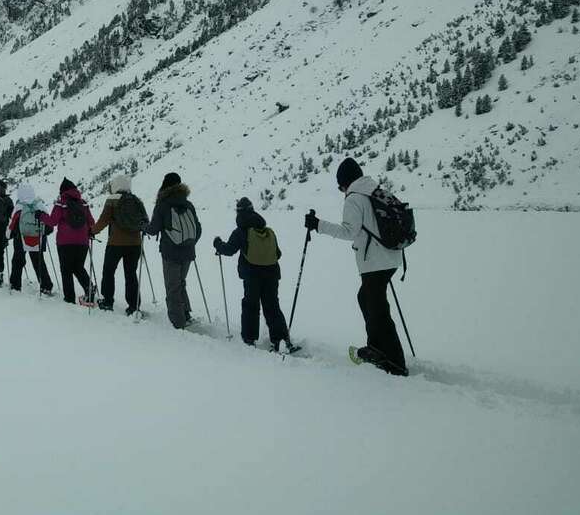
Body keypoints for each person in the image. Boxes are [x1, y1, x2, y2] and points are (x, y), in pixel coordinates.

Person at [304, 158, 407, 376]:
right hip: (391, 257)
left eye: (341, 186)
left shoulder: (354, 198)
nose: (342, 190)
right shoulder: (374, 190)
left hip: (374, 261)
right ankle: (377, 347)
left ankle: (395, 362)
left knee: (377, 309)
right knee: (367, 299)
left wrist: (318, 225)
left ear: (345, 182)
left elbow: (349, 231)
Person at [213, 197, 292, 352]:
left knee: (251, 305)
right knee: (272, 306)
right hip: (272, 274)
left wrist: (217, 244)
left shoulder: (241, 231)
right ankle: (281, 338)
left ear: (239, 212)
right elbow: (278, 254)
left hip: (252, 275)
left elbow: (229, 250)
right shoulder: (267, 230)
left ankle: (249, 338)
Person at [145, 172, 202, 329]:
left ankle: (178, 323)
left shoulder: (163, 205)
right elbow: (198, 229)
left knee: (172, 287)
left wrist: (143, 227)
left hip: (171, 253)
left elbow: (153, 229)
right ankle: (185, 314)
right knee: (181, 283)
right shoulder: (188, 204)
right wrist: (189, 243)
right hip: (188, 253)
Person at [91, 173, 146, 314]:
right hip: (135, 244)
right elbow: (145, 221)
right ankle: (134, 306)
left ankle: (108, 301)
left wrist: (92, 231)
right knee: (131, 274)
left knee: (109, 272)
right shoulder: (137, 200)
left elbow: (103, 220)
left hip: (115, 243)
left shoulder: (112, 200)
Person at [42, 177, 96, 304]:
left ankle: (69, 298)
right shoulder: (83, 203)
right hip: (82, 242)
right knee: (78, 267)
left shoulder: (61, 203)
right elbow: (91, 222)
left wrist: (41, 216)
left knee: (66, 270)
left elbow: (53, 222)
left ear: (63, 191)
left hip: (65, 242)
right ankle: (89, 288)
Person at [7, 183, 54, 295]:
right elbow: (50, 226)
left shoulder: (19, 207)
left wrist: (8, 236)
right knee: (39, 263)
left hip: (21, 239)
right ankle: (46, 286)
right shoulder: (40, 206)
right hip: (38, 239)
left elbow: (12, 226)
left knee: (17, 262)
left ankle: (15, 286)